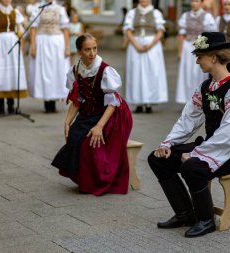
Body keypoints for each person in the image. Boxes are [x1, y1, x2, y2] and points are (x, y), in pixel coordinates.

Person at [148, 32, 230, 238]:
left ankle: (205, 220)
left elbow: (228, 135)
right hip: (210, 146)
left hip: (229, 152)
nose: (196, 61)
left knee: (192, 166)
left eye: (199, 56)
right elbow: (189, 119)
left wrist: (198, 154)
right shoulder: (206, 87)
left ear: (213, 57)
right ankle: (185, 213)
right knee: (158, 158)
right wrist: (168, 143)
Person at [52, 34, 133, 196]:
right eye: (87, 49)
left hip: (113, 113)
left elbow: (112, 102)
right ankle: (83, 179)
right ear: (79, 51)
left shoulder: (105, 70)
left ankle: (96, 182)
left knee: (91, 141)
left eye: (94, 48)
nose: (92, 53)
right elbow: (78, 100)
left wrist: (99, 126)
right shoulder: (76, 71)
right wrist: (67, 121)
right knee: (74, 137)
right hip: (89, 111)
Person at [0, 0, 28, 114]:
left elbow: (20, 32)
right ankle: (1, 106)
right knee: (0, 73)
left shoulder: (15, 12)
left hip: (13, 45)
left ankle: (11, 105)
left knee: (12, 74)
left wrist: (21, 47)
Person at [123, 0, 168, 113]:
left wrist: (150, 45)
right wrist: (136, 45)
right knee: (136, 73)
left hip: (152, 45)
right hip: (135, 44)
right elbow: (128, 31)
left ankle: (149, 103)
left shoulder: (156, 13)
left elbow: (160, 31)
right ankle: (138, 102)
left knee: (151, 72)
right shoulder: (132, 13)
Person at [29, 0, 70, 113]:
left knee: (56, 72)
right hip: (42, 42)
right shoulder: (37, 8)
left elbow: (65, 29)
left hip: (57, 43)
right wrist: (33, 46)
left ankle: (53, 101)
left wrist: (67, 47)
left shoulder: (60, 9)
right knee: (44, 71)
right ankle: (46, 102)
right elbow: (33, 28)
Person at [175, 0, 216, 104]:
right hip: (187, 47)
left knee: (199, 73)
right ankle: (187, 98)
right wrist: (179, 52)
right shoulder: (185, 16)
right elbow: (181, 35)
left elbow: (211, 34)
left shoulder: (207, 16)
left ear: (201, 3)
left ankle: (200, 98)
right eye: (193, 1)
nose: (194, 3)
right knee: (187, 73)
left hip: (201, 48)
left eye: (197, 1)